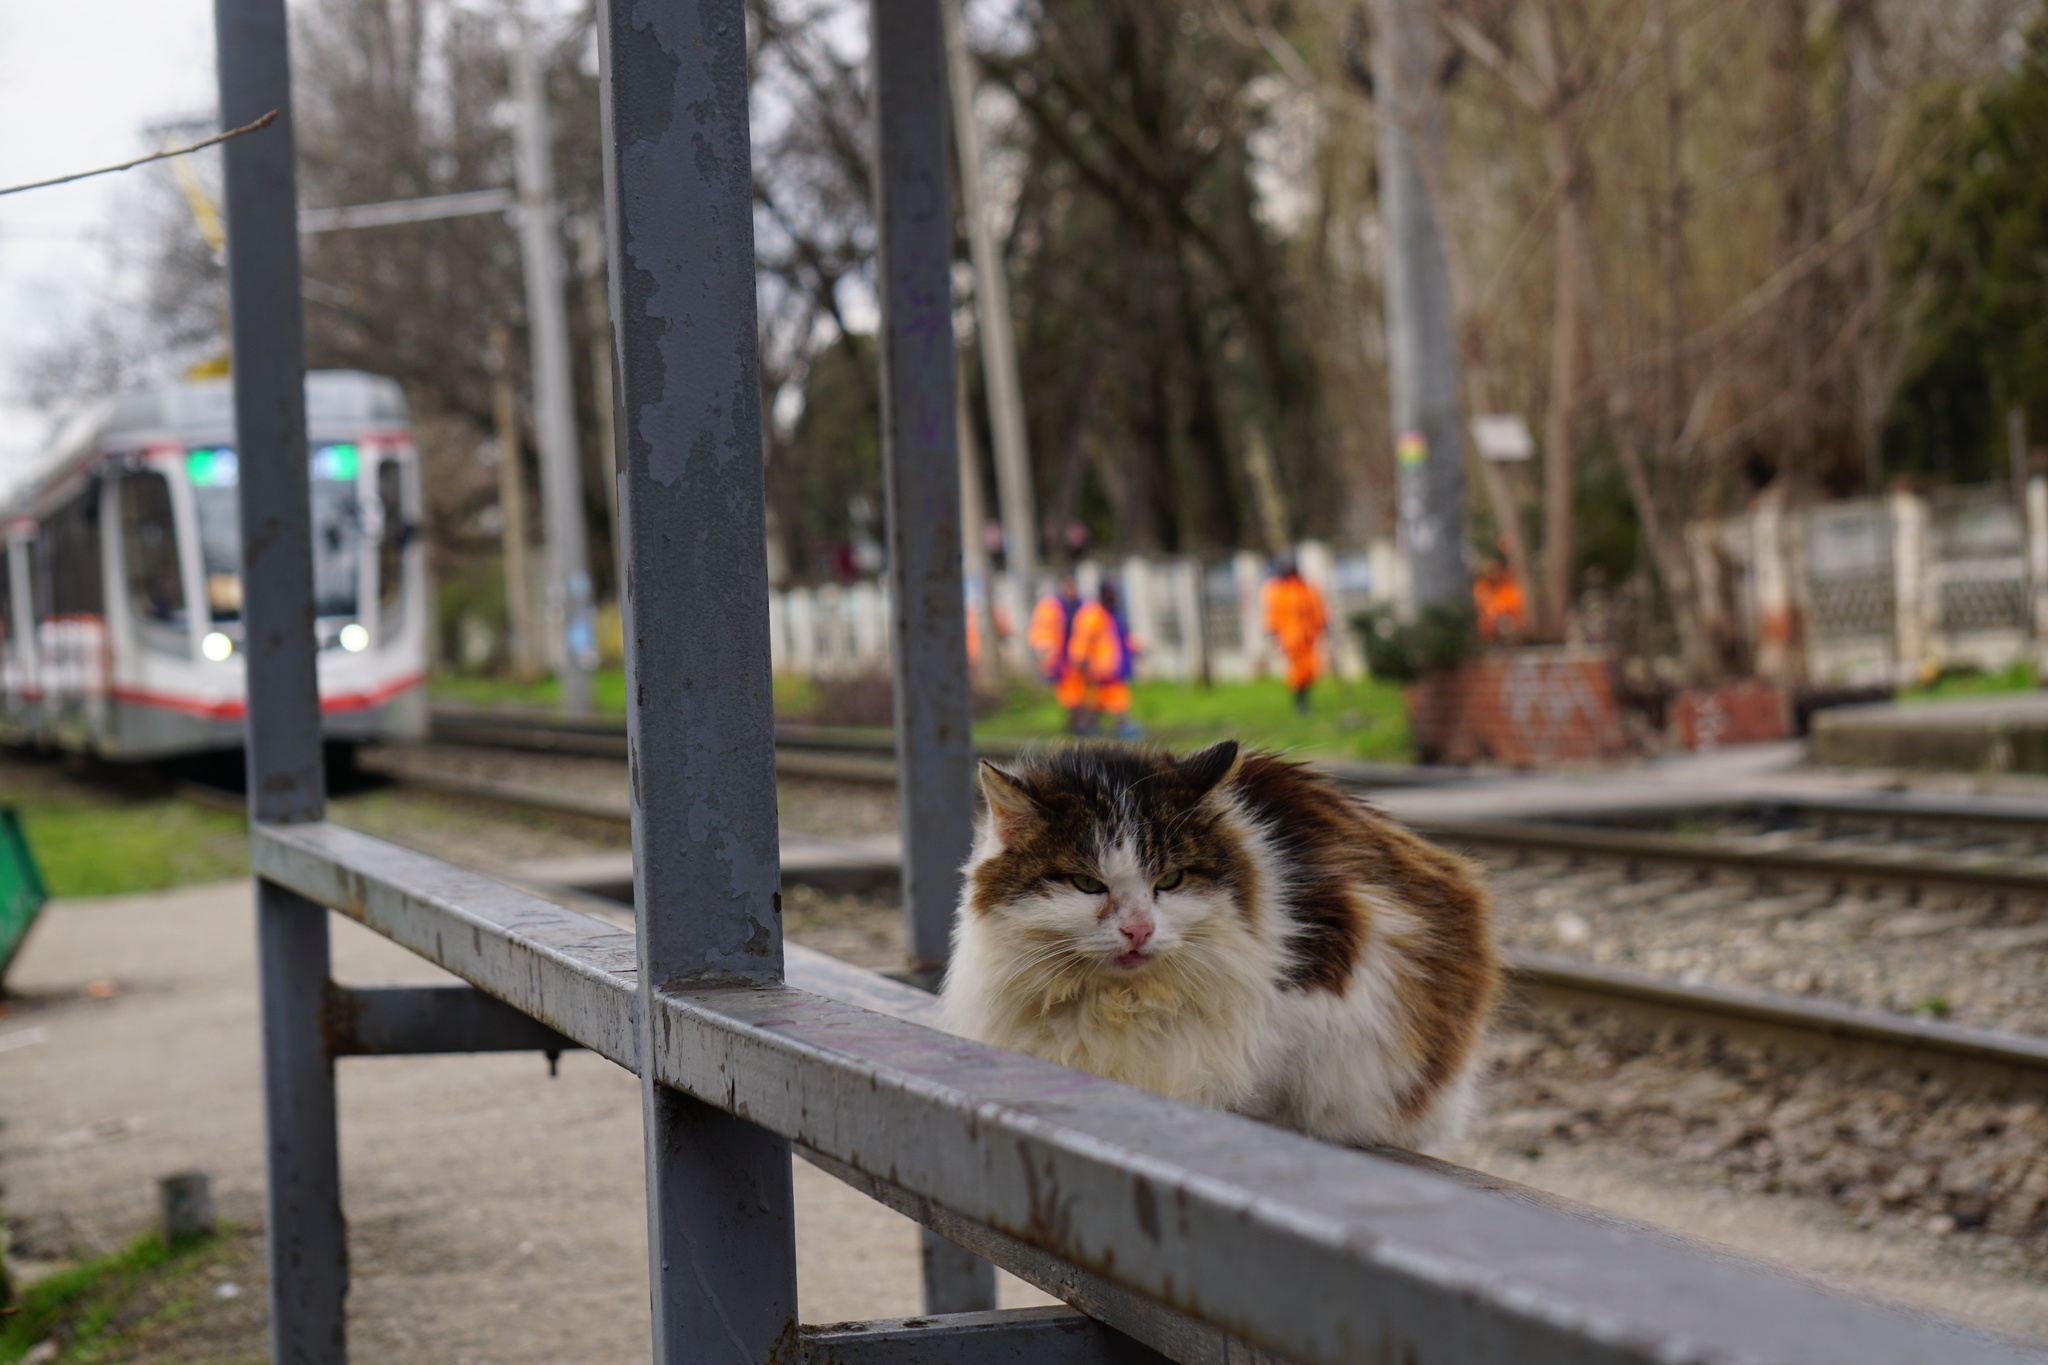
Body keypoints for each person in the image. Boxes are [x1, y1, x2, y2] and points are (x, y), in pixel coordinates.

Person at [1067, 581, 1141, 739]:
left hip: (1110, 669)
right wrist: (1080, 659)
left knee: (1109, 700)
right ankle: (1085, 729)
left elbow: (1119, 637)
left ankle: (1092, 728)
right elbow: (1081, 638)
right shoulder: (1092, 614)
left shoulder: (1110, 613)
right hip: (1095, 668)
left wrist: (1134, 648)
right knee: (1095, 701)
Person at [1260, 556, 1327, 714]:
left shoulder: (1305, 586)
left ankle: (1305, 698)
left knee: (1311, 669)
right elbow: (1272, 613)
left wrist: (1323, 623)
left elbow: (1316, 607)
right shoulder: (1275, 589)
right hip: (1289, 637)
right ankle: (1300, 702)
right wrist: (1271, 631)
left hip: (1308, 635)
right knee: (1296, 671)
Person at [1028, 574, 1088, 732]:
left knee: (1082, 693)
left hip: (1078, 656)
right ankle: (1074, 722)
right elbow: (1042, 628)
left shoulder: (1083, 606)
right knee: (1068, 693)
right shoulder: (1051, 606)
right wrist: (1043, 645)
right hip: (1060, 657)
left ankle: (1080, 722)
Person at [1474, 555, 1527, 643]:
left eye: (1496, 570)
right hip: (1490, 619)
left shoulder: (1509, 586)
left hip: (1507, 618)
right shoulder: (1483, 586)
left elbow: (1513, 606)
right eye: (1491, 571)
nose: (1494, 574)